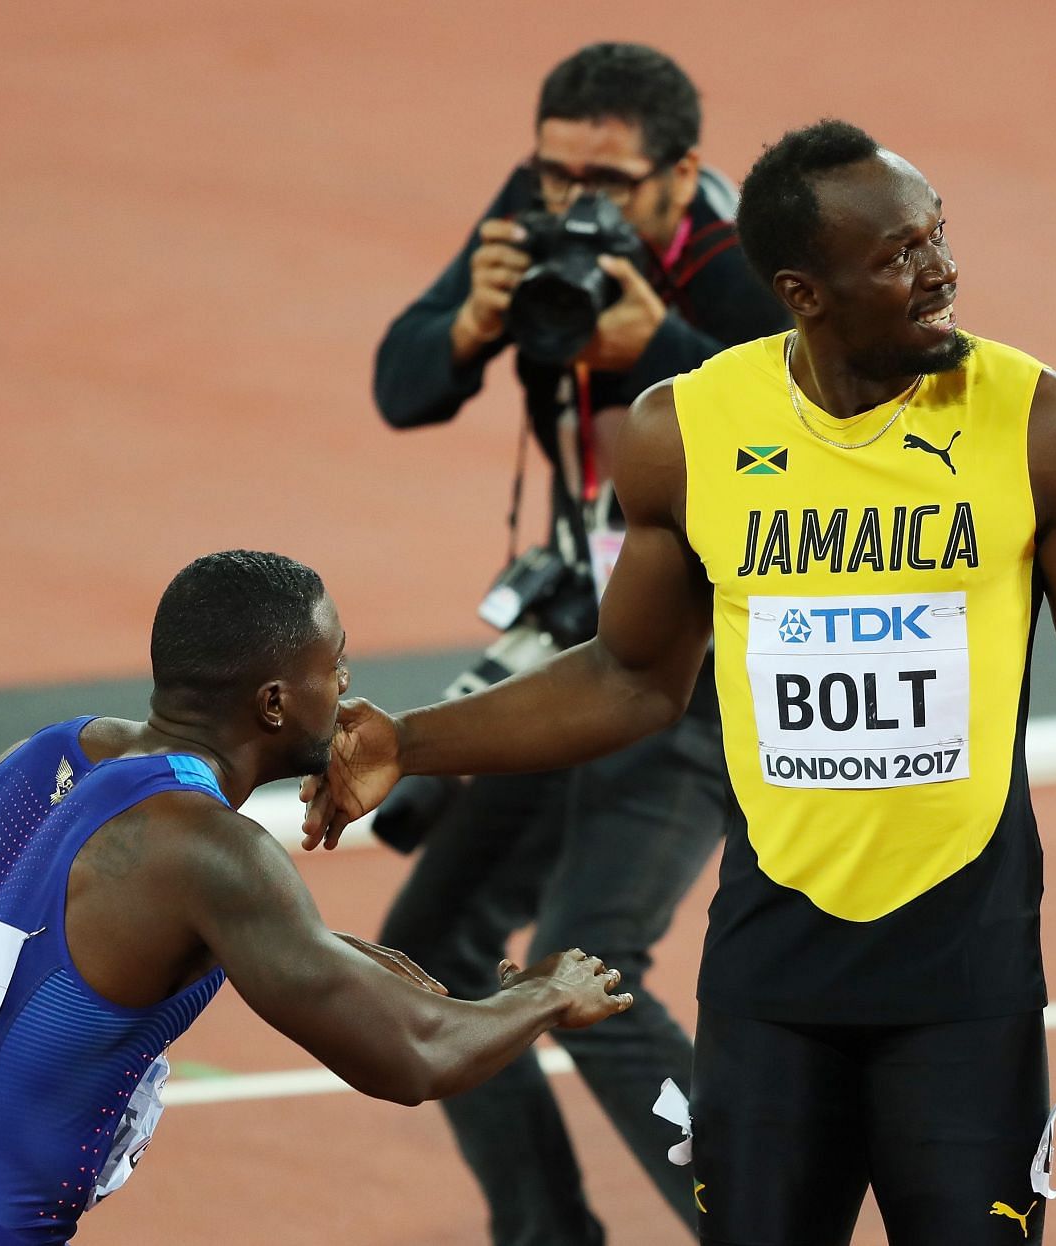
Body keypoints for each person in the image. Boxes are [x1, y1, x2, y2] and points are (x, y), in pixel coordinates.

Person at [306, 121, 1056, 1245]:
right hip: (772, 990)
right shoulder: (685, 433)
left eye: (938, 238)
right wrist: (414, 743)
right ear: (803, 291)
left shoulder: (1048, 428)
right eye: (897, 256)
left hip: (964, 992)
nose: (941, 273)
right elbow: (633, 678)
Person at [0, 550, 633, 1246]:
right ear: (273, 703)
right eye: (334, 669)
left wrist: (294, 943)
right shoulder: (208, 852)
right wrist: (545, 993)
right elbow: (415, 1058)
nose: (347, 690)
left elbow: (44, 926)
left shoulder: (44, 757)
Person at [370, 41, 787, 1244]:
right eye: (553, 175)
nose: (571, 205)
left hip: (706, 671)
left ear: (680, 175)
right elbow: (401, 386)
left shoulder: (755, 265)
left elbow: (819, 457)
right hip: (587, 649)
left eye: (603, 184)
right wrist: (473, 322)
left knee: (586, 967)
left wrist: (660, 355)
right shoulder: (537, 218)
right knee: (427, 953)